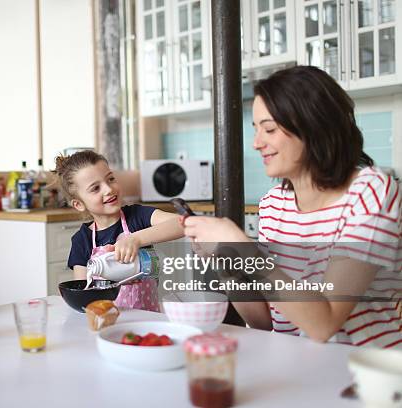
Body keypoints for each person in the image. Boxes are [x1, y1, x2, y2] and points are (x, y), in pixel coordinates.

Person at [183, 66, 401, 348]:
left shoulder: (370, 191)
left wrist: (245, 250)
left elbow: (324, 323)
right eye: (256, 129)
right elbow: (266, 322)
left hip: (364, 376)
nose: (257, 143)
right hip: (298, 368)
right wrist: (227, 260)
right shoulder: (274, 204)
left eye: (269, 129)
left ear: (313, 126)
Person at [56, 150, 184, 312]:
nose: (108, 189)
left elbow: (183, 223)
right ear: (79, 204)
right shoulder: (82, 240)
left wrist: (136, 239)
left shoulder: (138, 217)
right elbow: (83, 297)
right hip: (107, 323)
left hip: (147, 320)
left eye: (110, 179)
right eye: (95, 188)